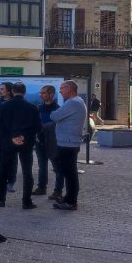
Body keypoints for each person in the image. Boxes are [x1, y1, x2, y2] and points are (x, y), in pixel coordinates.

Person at [0, 82, 42, 209]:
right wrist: (23, 137)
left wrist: (12, 138)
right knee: (27, 172)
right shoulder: (33, 108)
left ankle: (0, 199)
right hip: (26, 143)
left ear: (13, 92)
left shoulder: (4, 106)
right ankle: (26, 201)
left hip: (8, 143)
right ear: (24, 92)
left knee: (3, 170)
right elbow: (37, 127)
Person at [51, 80, 87, 211]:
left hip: (68, 143)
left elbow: (54, 116)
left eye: (62, 88)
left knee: (70, 173)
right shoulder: (77, 101)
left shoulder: (72, 102)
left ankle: (71, 202)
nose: (60, 91)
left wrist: (54, 111)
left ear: (70, 89)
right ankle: (68, 198)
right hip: (69, 142)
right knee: (68, 172)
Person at [32, 85, 61, 197]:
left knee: (57, 167)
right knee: (42, 166)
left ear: (51, 94)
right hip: (40, 142)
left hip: (53, 143)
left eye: (44, 93)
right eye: (41, 93)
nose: (41, 95)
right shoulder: (38, 108)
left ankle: (58, 191)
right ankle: (41, 187)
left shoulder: (58, 109)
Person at [0, 82, 17, 192]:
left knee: (12, 159)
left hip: (11, 136)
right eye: (0, 89)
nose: (0, 91)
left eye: (2, 89)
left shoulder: (15, 103)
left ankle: (11, 182)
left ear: (9, 91)